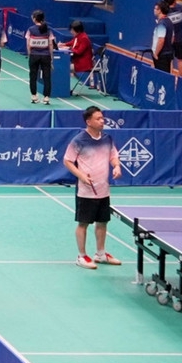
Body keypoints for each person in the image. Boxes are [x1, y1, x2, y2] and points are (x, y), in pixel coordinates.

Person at [64, 105, 123, 269]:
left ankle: (101, 254)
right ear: (88, 121)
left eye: (102, 118)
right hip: (86, 191)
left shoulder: (107, 139)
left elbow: (113, 156)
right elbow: (67, 160)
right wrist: (81, 176)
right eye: (98, 119)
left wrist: (117, 166)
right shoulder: (79, 140)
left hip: (103, 189)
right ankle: (81, 256)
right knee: (83, 223)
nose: (102, 121)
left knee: (103, 222)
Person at [25, 10, 57, 105]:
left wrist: (30, 54)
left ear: (35, 19)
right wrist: (51, 57)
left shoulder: (30, 29)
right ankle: (46, 97)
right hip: (46, 56)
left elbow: (28, 44)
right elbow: (51, 44)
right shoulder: (48, 30)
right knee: (47, 77)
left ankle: (34, 96)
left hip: (34, 55)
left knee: (33, 76)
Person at [65, 19, 94, 90]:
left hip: (83, 64)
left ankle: (64, 88)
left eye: (72, 30)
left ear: (77, 30)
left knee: (64, 67)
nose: (71, 32)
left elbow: (79, 52)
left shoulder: (84, 38)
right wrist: (63, 44)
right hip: (77, 62)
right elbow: (72, 42)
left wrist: (70, 48)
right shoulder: (78, 36)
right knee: (63, 66)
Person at [163, 0, 182, 73]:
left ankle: (170, 76)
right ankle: (180, 77)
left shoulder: (165, 13)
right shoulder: (181, 9)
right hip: (180, 39)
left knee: (170, 59)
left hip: (169, 39)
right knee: (180, 59)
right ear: (175, 1)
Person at [150, 1, 172, 72]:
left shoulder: (162, 24)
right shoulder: (169, 21)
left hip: (161, 56)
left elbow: (161, 40)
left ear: (160, 10)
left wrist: (156, 54)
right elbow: (172, 38)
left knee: (161, 76)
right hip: (167, 53)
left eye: (155, 8)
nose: (154, 10)